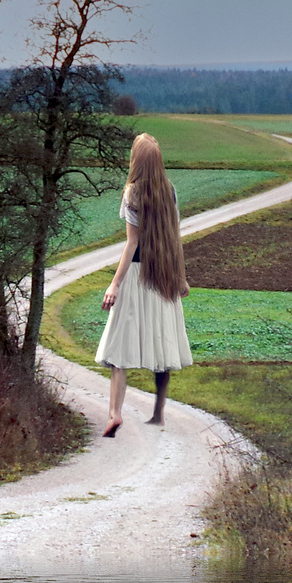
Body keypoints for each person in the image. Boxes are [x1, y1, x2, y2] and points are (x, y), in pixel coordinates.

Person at [95, 133, 192, 437]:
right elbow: (175, 238)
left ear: (136, 160)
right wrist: (181, 276)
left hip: (137, 275)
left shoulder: (132, 193)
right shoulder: (170, 191)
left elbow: (131, 244)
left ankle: (114, 414)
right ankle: (159, 414)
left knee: (118, 350)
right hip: (163, 276)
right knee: (163, 346)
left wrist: (114, 284)